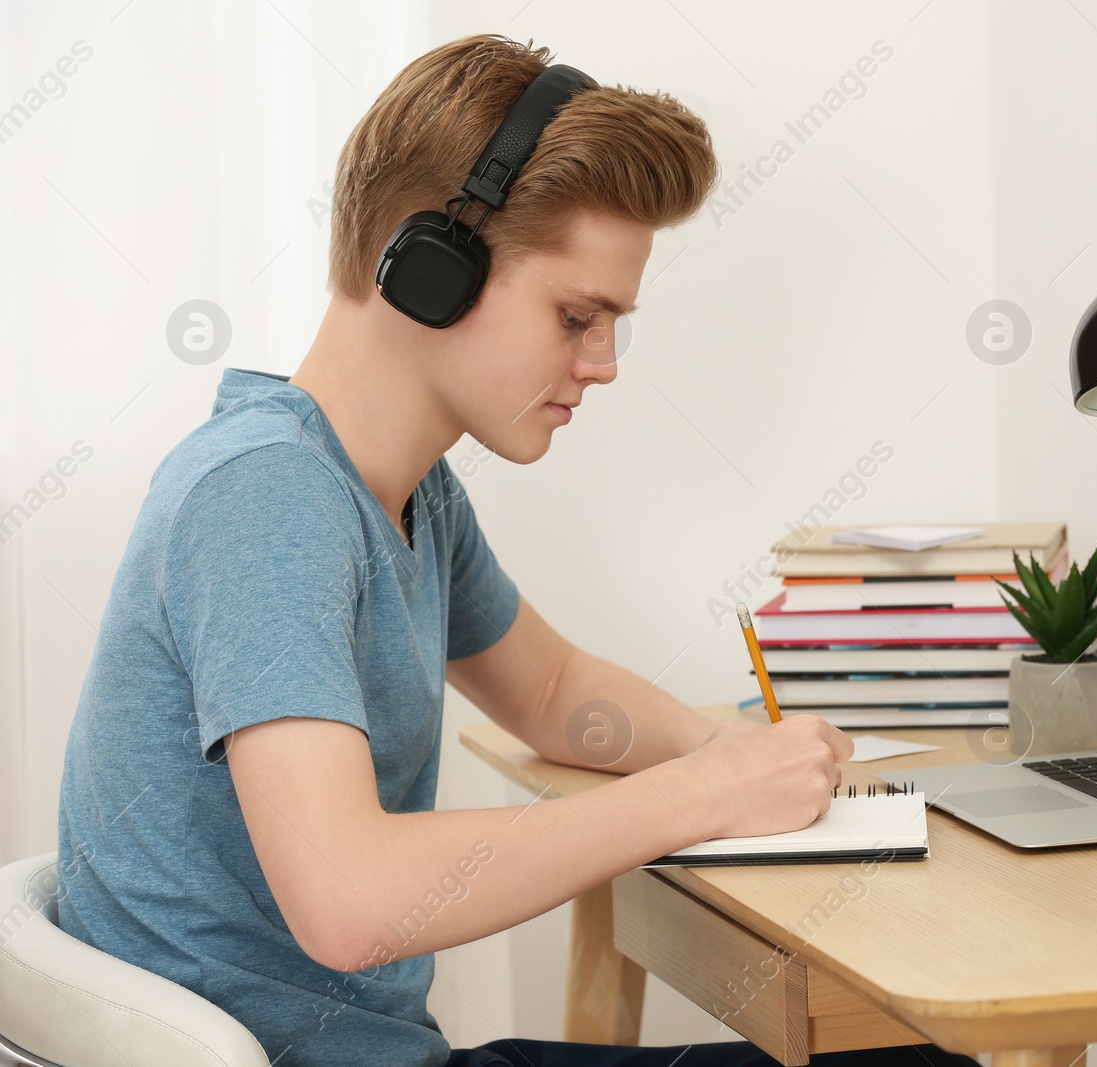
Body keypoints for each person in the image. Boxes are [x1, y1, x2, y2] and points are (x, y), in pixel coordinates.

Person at [55, 33, 976, 1067]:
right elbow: (351, 901)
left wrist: (729, 754)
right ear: (426, 270)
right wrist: (698, 796)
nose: (603, 363)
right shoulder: (264, 494)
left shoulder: (410, 493)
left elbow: (549, 690)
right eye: (577, 316)